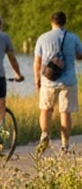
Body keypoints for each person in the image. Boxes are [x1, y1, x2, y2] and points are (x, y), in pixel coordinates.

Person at [33, 11, 82, 156]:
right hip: (68, 80)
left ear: (51, 22)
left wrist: (37, 80)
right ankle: (65, 146)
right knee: (65, 112)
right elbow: (80, 55)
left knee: (46, 110)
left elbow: (37, 62)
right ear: (64, 22)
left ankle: (44, 134)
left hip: (48, 81)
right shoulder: (73, 37)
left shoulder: (43, 38)